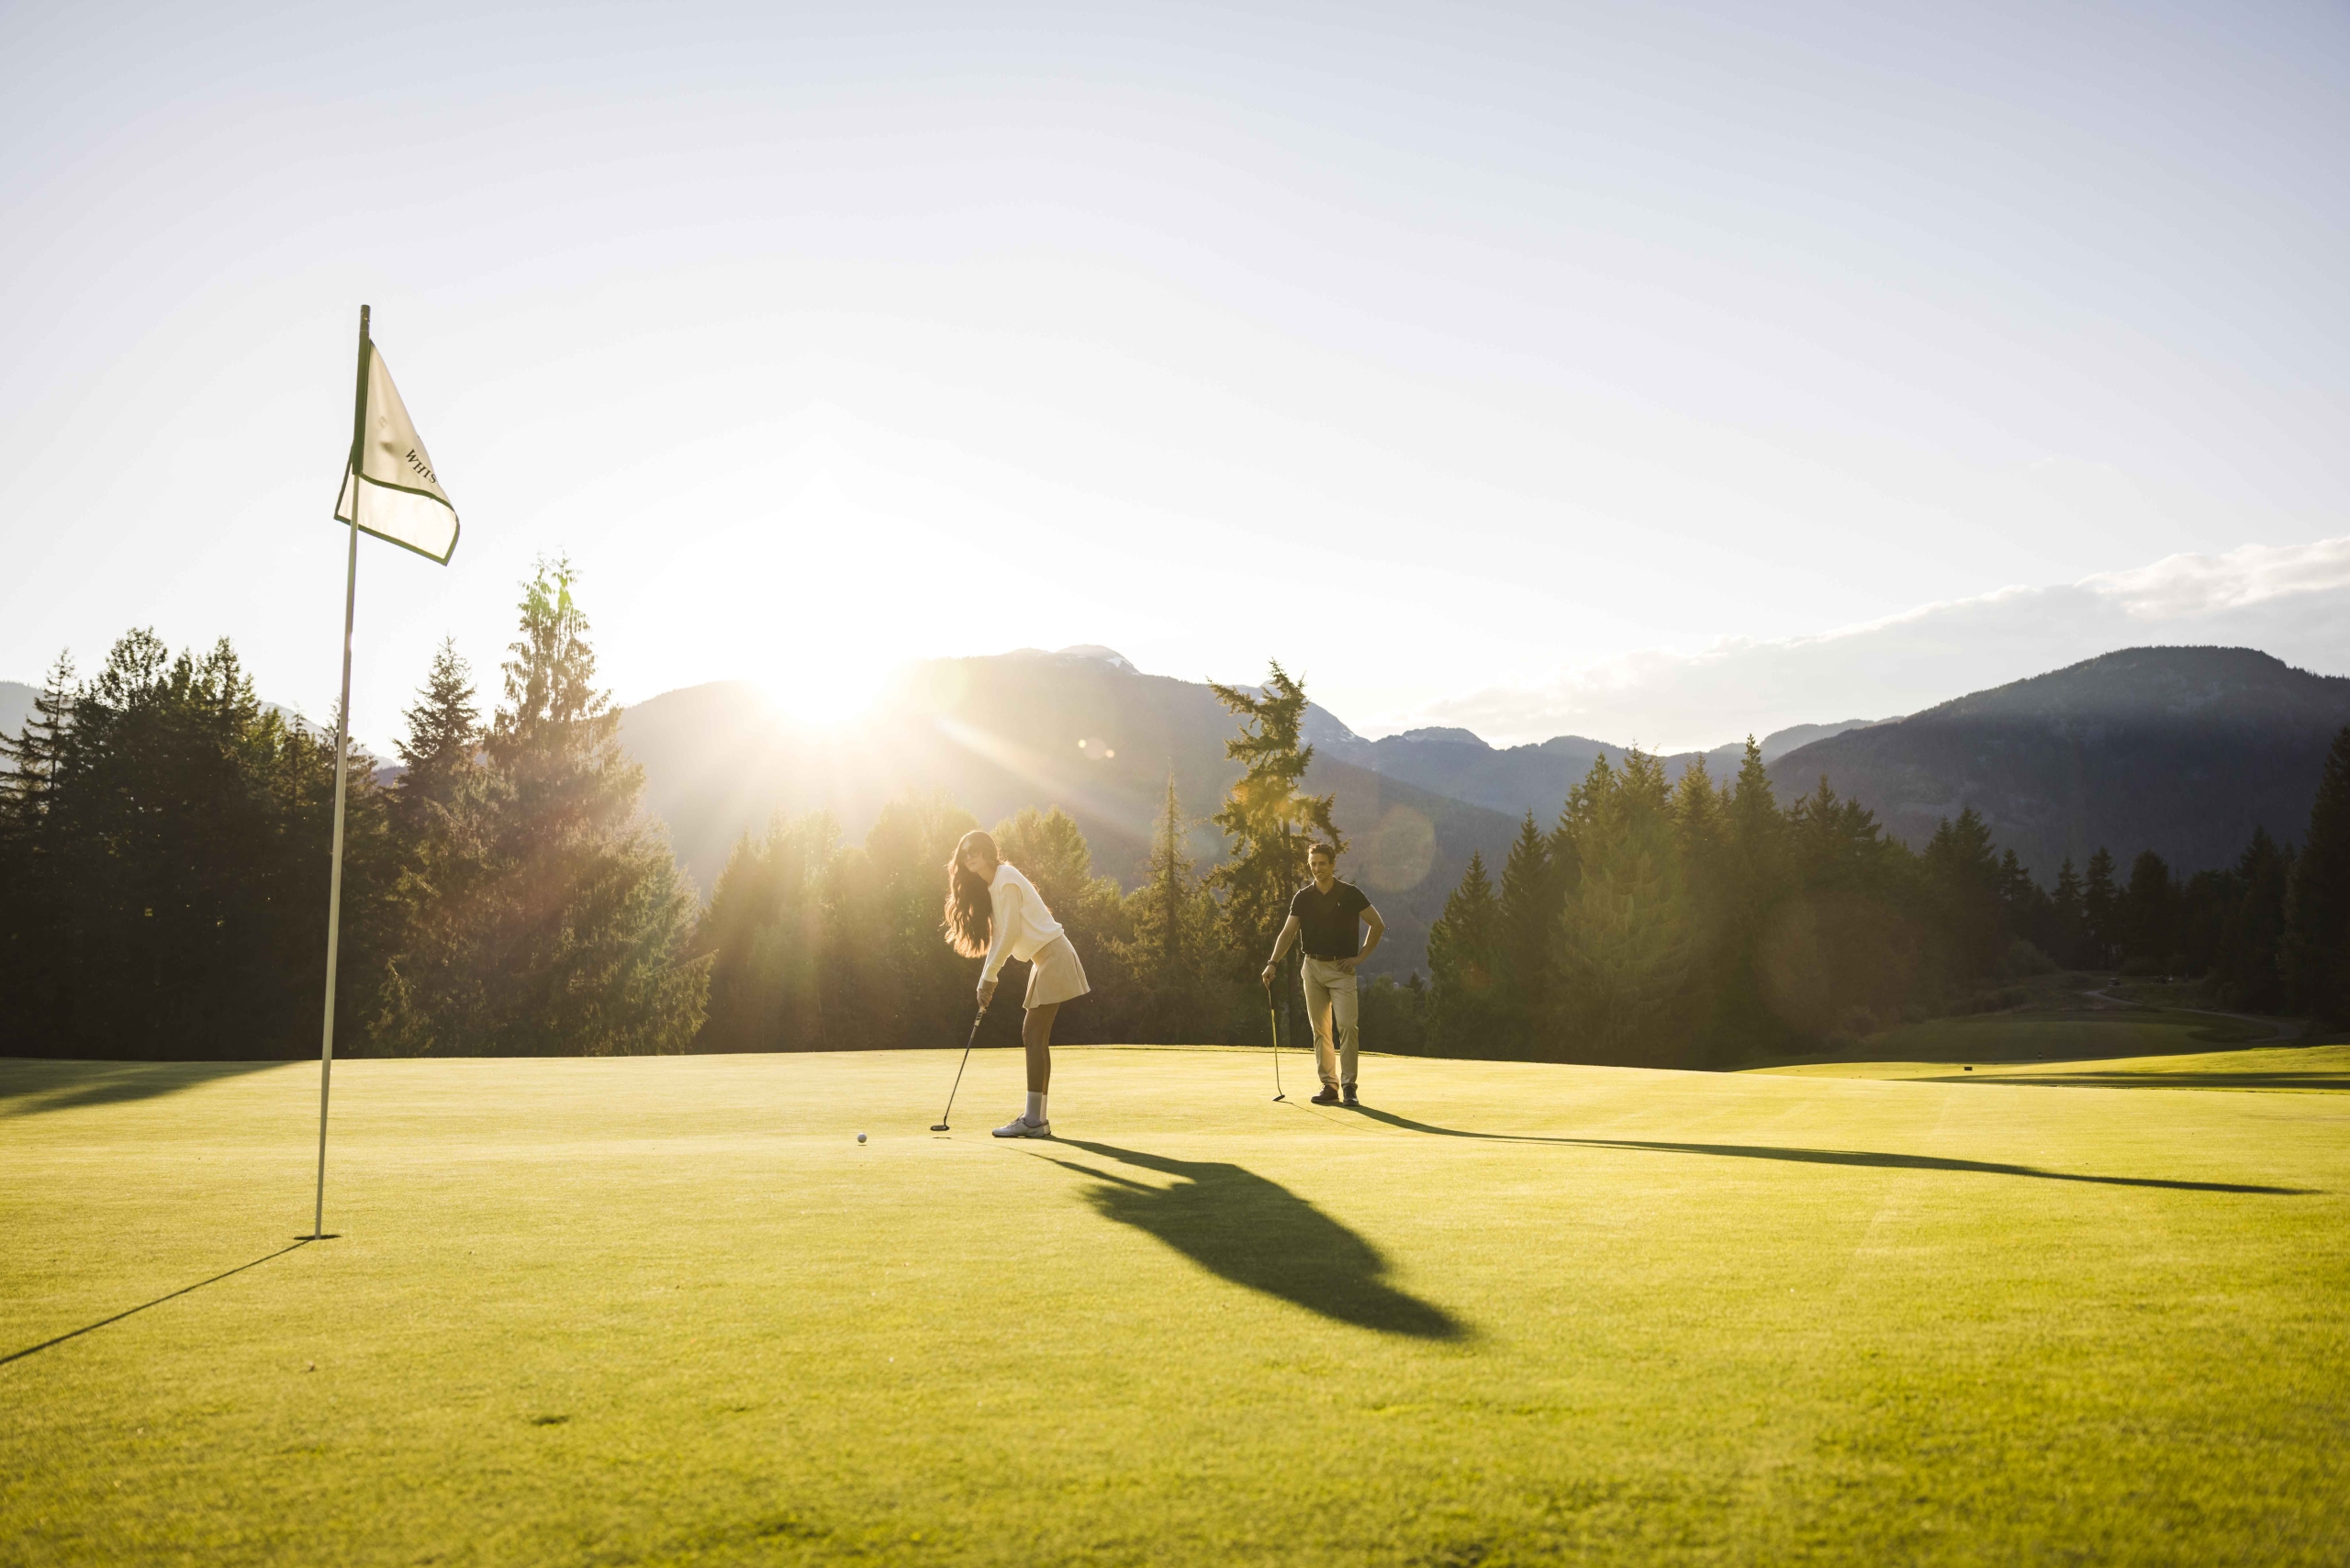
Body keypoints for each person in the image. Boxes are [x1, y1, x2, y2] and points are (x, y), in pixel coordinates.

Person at [944, 828, 1091, 1138]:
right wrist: (986, 979)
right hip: (1045, 960)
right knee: (1036, 1037)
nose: (970, 855)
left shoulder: (1006, 877)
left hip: (1053, 956)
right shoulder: (992, 886)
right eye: (964, 851)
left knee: (1032, 1034)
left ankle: (1033, 1120)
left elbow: (1010, 934)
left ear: (987, 850)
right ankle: (1037, 1120)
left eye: (975, 849)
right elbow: (999, 937)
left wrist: (990, 977)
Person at [1260, 842, 1385, 1107]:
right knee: (1320, 1030)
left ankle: (1350, 1086)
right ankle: (1329, 1085)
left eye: (1322, 863)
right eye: (1313, 864)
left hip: (1341, 970)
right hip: (1313, 968)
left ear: (1332, 864)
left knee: (1348, 1026)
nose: (1317, 868)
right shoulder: (1303, 897)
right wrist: (1273, 962)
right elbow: (1288, 933)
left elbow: (1377, 924)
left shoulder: (1350, 894)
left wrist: (1360, 957)